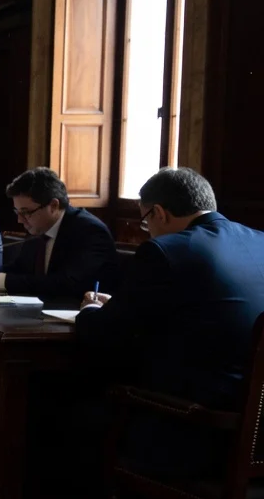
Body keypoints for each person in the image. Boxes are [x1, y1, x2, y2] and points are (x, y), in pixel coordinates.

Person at [78, 168, 264, 412]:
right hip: (252, 409)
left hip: (192, 411)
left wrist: (91, 308)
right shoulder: (258, 240)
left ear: (158, 212)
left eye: (145, 222)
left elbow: (105, 330)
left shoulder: (164, 250)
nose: (148, 230)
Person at [0, 167, 115, 303]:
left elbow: (65, 283)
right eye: (17, 212)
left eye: (26, 212)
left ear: (53, 206)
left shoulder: (90, 231)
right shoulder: (39, 227)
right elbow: (20, 268)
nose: (20, 220)